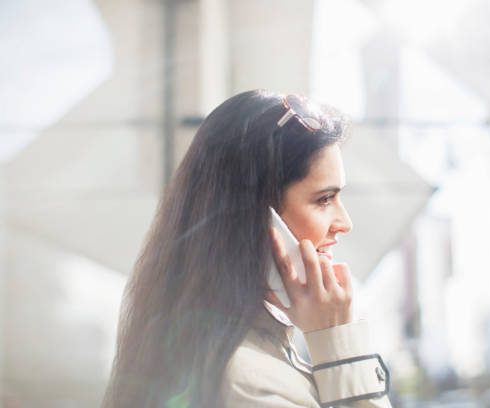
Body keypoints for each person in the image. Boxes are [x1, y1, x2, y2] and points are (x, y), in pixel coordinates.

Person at [102, 90, 392, 408]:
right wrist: (340, 344)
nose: (344, 222)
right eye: (324, 199)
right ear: (254, 215)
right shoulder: (251, 385)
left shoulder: (226, 353)